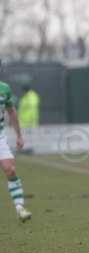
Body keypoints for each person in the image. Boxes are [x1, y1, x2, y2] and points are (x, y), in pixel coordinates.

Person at [0, 64, 32, 222]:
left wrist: (19, 135)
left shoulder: (4, 89)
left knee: (10, 170)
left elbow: (11, 111)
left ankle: (20, 208)